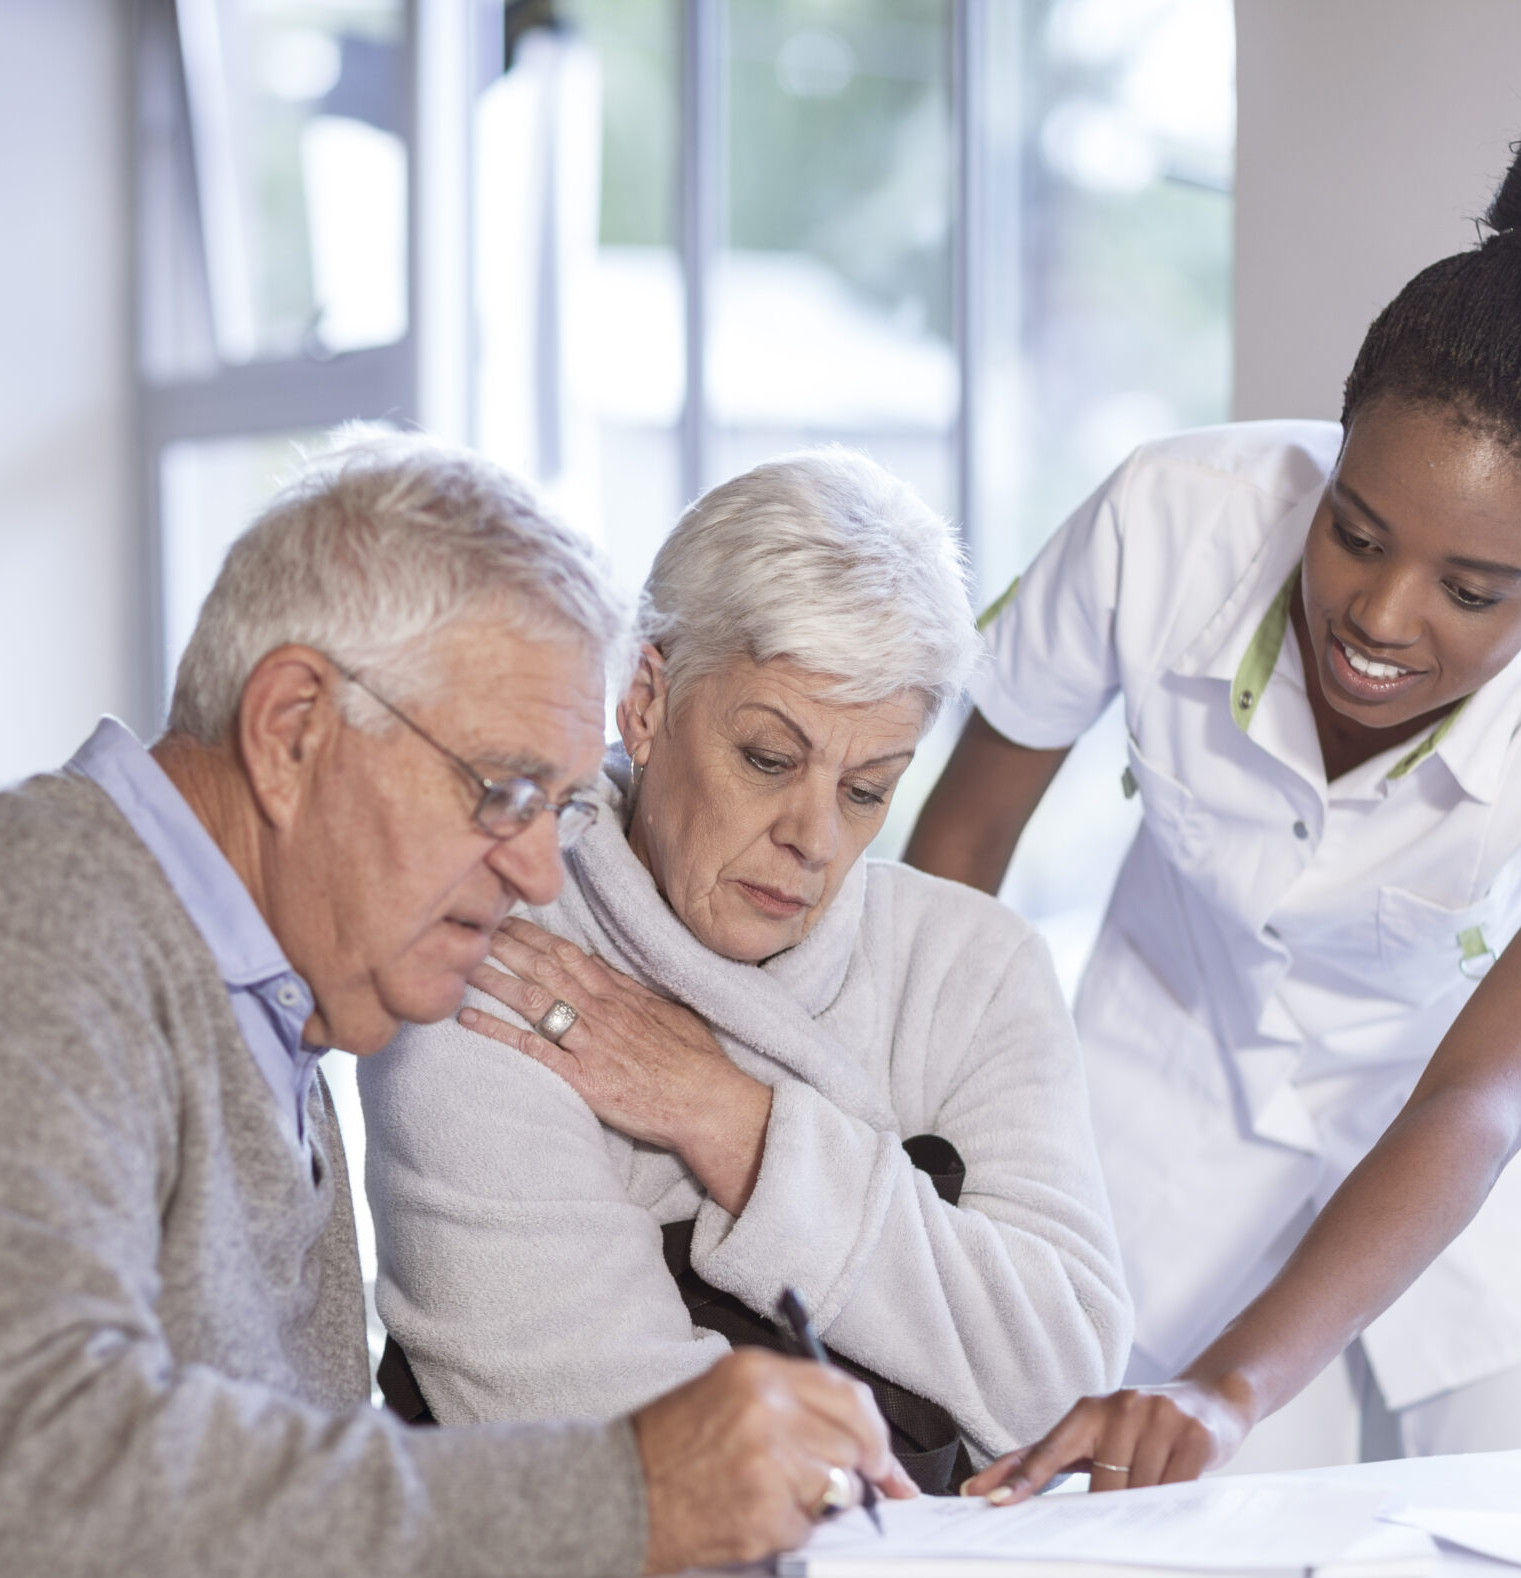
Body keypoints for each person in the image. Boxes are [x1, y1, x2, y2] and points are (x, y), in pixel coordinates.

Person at [0, 436, 911, 1578]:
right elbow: (34, 1469)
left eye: (552, 807)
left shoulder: (269, 1010)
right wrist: (623, 1488)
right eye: (499, 789)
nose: (537, 871)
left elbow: (243, 1511)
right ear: (293, 726)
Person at [905, 102, 1521, 1494]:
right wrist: (920, 1159)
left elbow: (1483, 1094)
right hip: (1180, 1090)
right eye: (1354, 530)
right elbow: (962, 838)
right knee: (1164, 1571)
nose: (1379, 616)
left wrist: (1234, 1385)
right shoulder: (1164, 518)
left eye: (1475, 592)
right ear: (1337, 448)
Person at [360, 450, 1133, 1493]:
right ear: (645, 701)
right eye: (768, 759)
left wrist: (729, 1121)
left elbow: (1060, 1381)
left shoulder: (973, 967)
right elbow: (599, 1432)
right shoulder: (487, 957)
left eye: (867, 789)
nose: (813, 837)